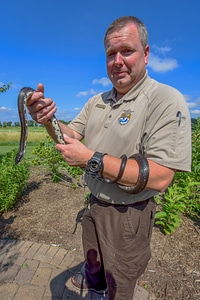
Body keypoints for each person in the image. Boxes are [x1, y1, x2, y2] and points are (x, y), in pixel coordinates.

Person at [27, 16, 191, 300]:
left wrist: (91, 159)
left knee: (121, 281)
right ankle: (94, 283)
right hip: (94, 203)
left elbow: (162, 175)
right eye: (110, 54)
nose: (117, 61)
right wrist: (47, 120)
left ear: (146, 53)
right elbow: (70, 136)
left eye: (126, 51)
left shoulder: (165, 99)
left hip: (129, 214)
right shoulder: (97, 101)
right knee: (96, 263)